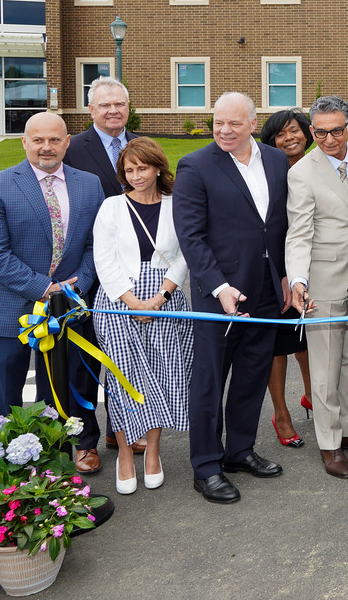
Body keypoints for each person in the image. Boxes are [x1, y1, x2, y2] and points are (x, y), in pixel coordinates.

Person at [173, 92, 291, 504]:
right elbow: (191, 236)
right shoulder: (195, 166)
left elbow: (278, 228)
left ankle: (239, 451)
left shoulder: (276, 162)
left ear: (253, 124)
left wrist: (286, 277)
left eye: (234, 124)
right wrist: (220, 287)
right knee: (209, 380)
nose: (224, 130)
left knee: (252, 374)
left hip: (264, 292)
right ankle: (206, 466)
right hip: (218, 295)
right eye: (218, 122)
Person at [0, 112, 104, 473]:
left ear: (67, 142)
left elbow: (97, 244)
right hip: (6, 309)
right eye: (38, 140)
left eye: (55, 140)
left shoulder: (89, 184)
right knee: (2, 397)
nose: (47, 147)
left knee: (58, 394)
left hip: (67, 309)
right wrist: (44, 288)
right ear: (24, 142)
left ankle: (52, 469)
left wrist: (78, 283)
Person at [285, 97, 348, 480]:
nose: (329, 139)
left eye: (337, 130)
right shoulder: (302, 173)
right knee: (325, 367)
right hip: (323, 282)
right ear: (312, 131)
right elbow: (299, 233)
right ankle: (329, 444)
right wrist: (298, 280)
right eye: (320, 132)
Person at [91, 137, 194, 495]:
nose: (136, 175)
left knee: (162, 375)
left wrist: (161, 296)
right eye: (129, 170)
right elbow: (103, 259)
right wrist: (133, 302)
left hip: (166, 301)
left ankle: (152, 451)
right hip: (119, 302)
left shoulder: (175, 205)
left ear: (157, 168)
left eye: (142, 168)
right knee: (124, 380)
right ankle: (123, 451)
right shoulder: (111, 207)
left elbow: (184, 254)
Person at [63, 76, 140, 457]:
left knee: (126, 356)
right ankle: (85, 441)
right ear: (91, 109)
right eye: (104, 104)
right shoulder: (73, 148)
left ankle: (122, 430)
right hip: (88, 270)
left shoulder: (141, 147)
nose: (113, 110)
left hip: (134, 271)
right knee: (86, 359)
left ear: (129, 108)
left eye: (120, 104)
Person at [258, 108, 314, 450]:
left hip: (313, 266)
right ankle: (281, 413)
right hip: (274, 269)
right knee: (278, 345)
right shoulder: (266, 171)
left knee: (310, 340)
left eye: (295, 131)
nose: (289, 138)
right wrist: (281, 272)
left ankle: (313, 396)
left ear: (307, 133)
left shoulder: (316, 166)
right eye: (281, 134)